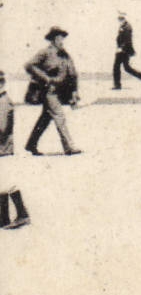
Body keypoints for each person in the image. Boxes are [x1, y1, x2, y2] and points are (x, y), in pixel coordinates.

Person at [23, 26, 81, 156]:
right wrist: (45, 78)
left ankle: (31, 144)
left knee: (45, 118)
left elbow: (73, 74)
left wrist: (74, 92)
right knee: (59, 116)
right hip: (49, 91)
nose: (62, 41)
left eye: (62, 38)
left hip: (61, 91)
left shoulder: (65, 55)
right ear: (53, 39)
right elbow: (29, 65)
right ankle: (69, 147)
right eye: (59, 38)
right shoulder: (45, 52)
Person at [1, 68, 31, 229]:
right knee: (2, 183)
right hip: (4, 149)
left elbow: (2, 128)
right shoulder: (4, 100)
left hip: (3, 149)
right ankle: (3, 218)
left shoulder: (2, 102)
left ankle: (22, 214)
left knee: (6, 183)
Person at [113, 11, 137, 90]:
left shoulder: (127, 27)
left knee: (117, 67)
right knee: (127, 68)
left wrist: (122, 48)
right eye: (119, 18)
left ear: (124, 18)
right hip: (122, 50)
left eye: (121, 18)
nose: (120, 20)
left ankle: (117, 85)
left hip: (124, 50)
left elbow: (127, 40)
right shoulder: (123, 26)